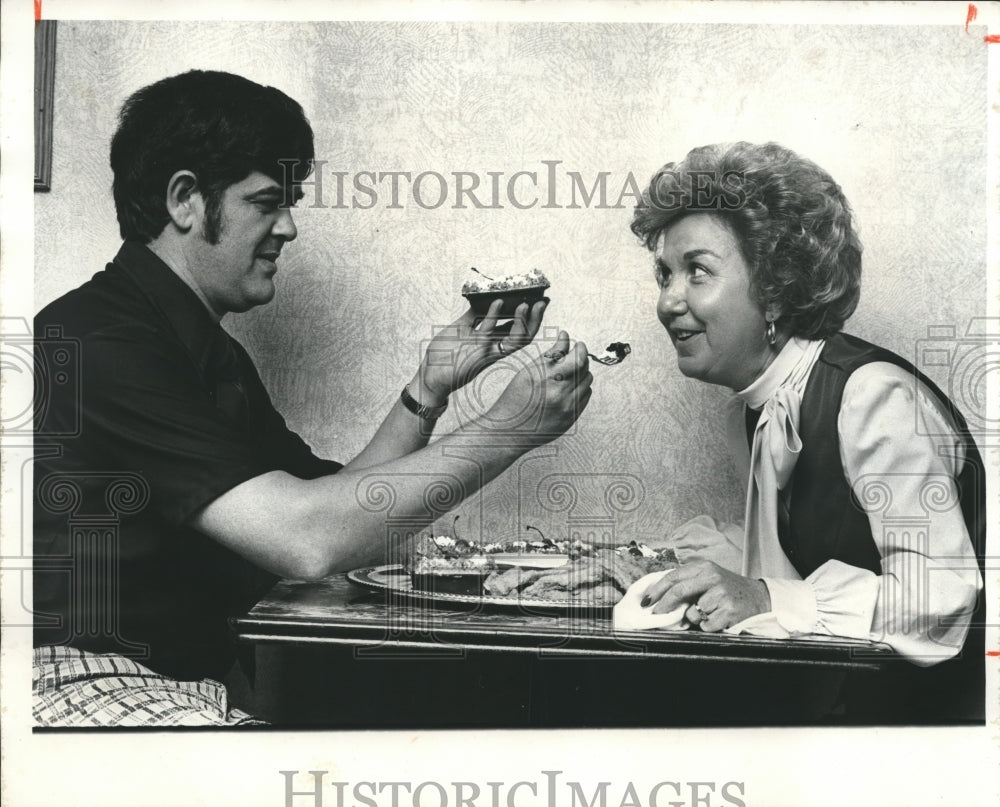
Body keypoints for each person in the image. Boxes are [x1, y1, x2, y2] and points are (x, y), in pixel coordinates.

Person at [32, 70, 592, 726]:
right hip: (79, 682)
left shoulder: (197, 348)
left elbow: (340, 515)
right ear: (185, 199)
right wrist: (508, 429)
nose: (289, 228)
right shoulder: (97, 342)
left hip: (186, 689)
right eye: (267, 202)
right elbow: (306, 540)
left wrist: (428, 389)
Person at [629, 142, 985, 723]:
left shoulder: (873, 396)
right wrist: (641, 565)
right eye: (664, 274)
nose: (669, 301)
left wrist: (769, 599)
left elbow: (940, 598)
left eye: (697, 272)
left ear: (774, 287)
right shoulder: (757, 405)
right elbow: (782, 550)